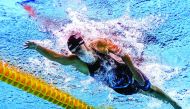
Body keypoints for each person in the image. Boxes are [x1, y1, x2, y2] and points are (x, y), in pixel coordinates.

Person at [24, 33, 182, 109]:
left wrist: (134, 71)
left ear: (85, 44)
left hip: (128, 73)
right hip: (121, 88)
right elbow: (56, 58)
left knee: (150, 89)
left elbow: (125, 56)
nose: (79, 54)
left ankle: (175, 104)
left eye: (80, 49)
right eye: (76, 52)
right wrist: (37, 47)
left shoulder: (99, 45)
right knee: (141, 92)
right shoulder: (77, 62)